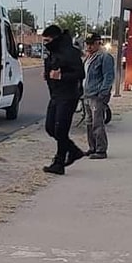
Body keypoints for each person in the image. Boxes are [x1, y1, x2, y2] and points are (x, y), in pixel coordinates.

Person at [40, 25, 85, 175]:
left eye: (47, 40)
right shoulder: (51, 53)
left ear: (55, 39)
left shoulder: (70, 53)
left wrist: (61, 77)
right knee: (50, 127)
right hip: (55, 95)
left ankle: (59, 162)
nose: (45, 44)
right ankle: (73, 151)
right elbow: (51, 70)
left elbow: (80, 73)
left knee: (61, 129)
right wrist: (47, 75)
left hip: (68, 95)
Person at [82, 33, 116, 160]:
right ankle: (93, 147)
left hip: (97, 95)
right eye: (87, 44)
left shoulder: (104, 57)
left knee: (97, 123)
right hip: (87, 94)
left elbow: (108, 76)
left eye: (92, 44)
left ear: (98, 43)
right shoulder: (88, 58)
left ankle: (101, 149)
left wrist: (103, 93)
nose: (89, 46)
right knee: (89, 122)